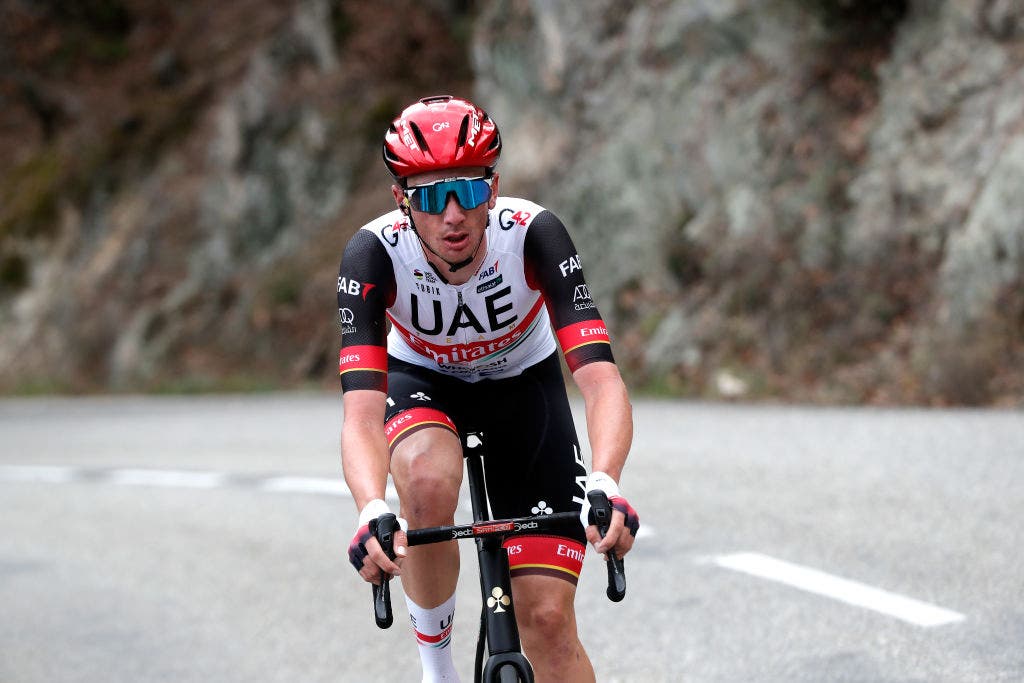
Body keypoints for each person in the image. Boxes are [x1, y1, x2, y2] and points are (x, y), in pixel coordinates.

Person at [338, 95, 639, 683]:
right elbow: (361, 416)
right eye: (429, 196)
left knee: (548, 621)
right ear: (402, 202)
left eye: (468, 192)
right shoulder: (373, 254)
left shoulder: (533, 236)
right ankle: (438, 671)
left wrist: (607, 482)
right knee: (424, 478)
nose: (452, 215)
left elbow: (602, 382)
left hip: (523, 386)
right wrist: (372, 508)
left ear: (493, 189)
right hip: (421, 382)